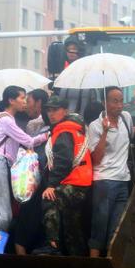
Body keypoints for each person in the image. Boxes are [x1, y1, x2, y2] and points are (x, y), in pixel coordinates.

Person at [87, 87, 135, 257]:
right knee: (99, 225)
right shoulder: (95, 126)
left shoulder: (126, 118)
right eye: (114, 101)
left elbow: (131, 133)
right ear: (105, 103)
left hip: (123, 180)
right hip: (104, 181)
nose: (119, 105)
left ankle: (111, 262)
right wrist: (105, 132)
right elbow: (96, 158)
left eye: (121, 100)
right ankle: (93, 263)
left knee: (117, 226)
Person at [0, 86, 50, 251]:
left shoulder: (4, 119)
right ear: (11, 100)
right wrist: (47, 135)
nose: (24, 102)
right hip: (0, 165)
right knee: (5, 214)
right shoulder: (6, 120)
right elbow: (28, 141)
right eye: (22, 98)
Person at [34, 95, 92, 256]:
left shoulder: (64, 131)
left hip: (74, 183)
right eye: (49, 110)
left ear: (65, 111)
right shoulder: (76, 128)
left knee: (49, 199)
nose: (51, 114)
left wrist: (51, 185)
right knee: (71, 223)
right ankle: (78, 257)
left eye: (55, 110)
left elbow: (63, 161)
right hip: (82, 182)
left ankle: (52, 246)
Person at [13, 88, 51, 255]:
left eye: (29, 101)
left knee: (30, 218)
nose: (26, 105)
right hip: (35, 180)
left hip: (37, 180)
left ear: (39, 103)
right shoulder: (36, 125)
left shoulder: (38, 124)